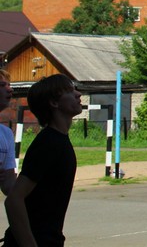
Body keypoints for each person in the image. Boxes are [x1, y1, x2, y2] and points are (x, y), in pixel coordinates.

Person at [4, 74, 82, 247]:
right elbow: (14, 200)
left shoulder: (60, 141)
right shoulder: (49, 144)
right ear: (54, 103)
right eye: (69, 91)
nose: (78, 94)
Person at [0, 69, 18, 196]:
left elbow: (8, 186)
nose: (10, 89)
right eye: (2, 85)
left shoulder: (6, 134)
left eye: (9, 85)